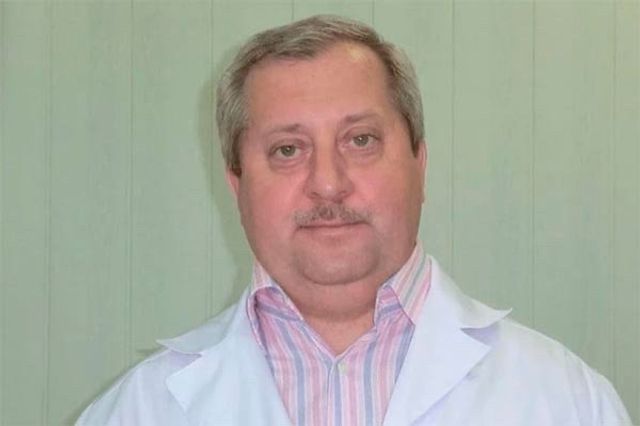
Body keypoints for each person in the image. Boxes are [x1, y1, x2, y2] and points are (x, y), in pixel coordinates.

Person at [77, 15, 631, 426]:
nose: (328, 183)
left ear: (419, 164)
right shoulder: (138, 411)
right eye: (287, 150)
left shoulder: (566, 401)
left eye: (360, 140)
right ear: (237, 185)